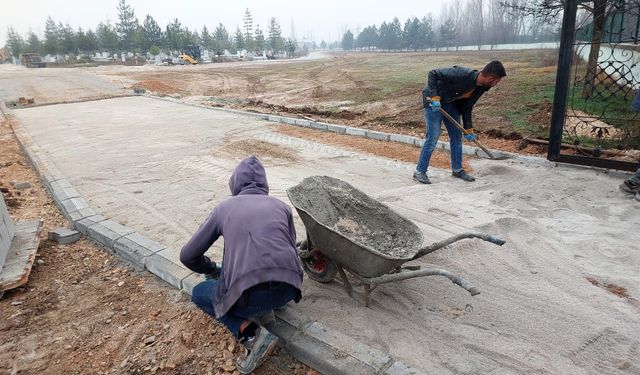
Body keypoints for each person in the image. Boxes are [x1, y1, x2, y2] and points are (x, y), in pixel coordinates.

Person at [180, 155, 303, 374]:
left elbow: (188, 256)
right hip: (290, 289)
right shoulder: (281, 206)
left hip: (252, 295)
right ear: (265, 184)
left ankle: (253, 334)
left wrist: (210, 269)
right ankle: (268, 305)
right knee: (255, 288)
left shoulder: (225, 208)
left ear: (235, 183)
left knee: (200, 293)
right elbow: (290, 247)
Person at [414, 60, 507, 184]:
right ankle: (419, 171)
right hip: (434, 102)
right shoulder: (462, 74)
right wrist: (435, 97)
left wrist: (469, 129)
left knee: (457, 137)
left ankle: (457, 170)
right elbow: (433, 73)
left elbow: (467, 106)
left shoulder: (482, 87)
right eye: (498, 81)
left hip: (451, 103)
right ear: (491, 78)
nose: (497, 83)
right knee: (433, 137)